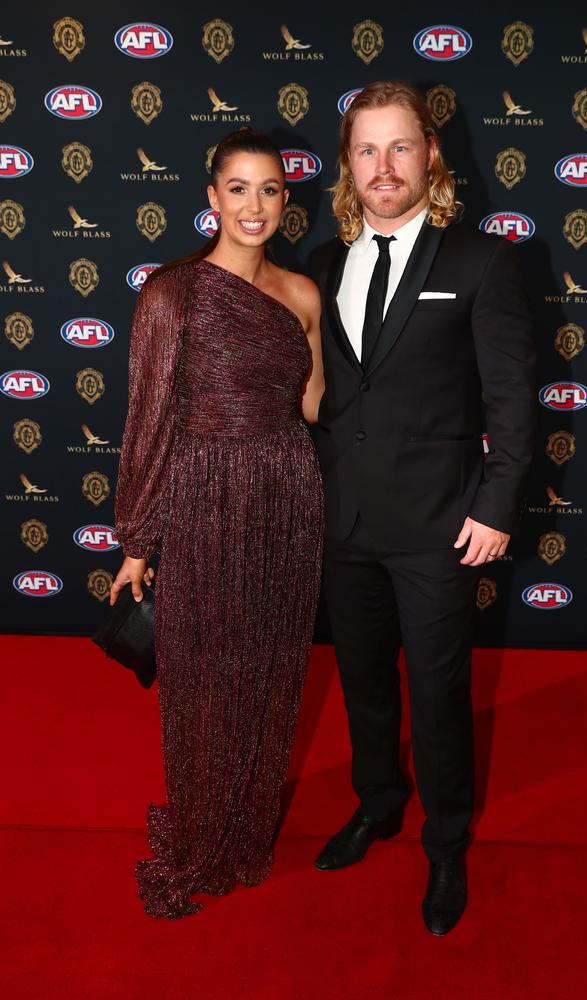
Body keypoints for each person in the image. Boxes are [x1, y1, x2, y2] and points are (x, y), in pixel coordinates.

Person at [308, 81, 536, 935]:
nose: (383, 167)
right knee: (365, 684)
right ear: (347, 165)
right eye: (366, 150)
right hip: (345, 522)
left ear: (431, 155)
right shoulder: (322, 265)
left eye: (400, 147)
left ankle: (446, 843)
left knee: (438, 696)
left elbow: (514, 399)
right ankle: (379, 803)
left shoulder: (481, 261)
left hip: (443, 525)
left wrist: (498, 506)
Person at [110, 127, 324, 919]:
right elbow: (151, 420)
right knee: (205, 673)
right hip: (204, 494)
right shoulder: (174, 293)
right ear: (212, 198)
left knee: (268, 670)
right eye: (239, 188)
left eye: (270, 189)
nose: (255, 205)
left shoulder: (302, 294)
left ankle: (244, 826)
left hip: (287, 493)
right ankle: (205, 827)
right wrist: (139, 539)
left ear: (285, 201)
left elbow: (315, 406)